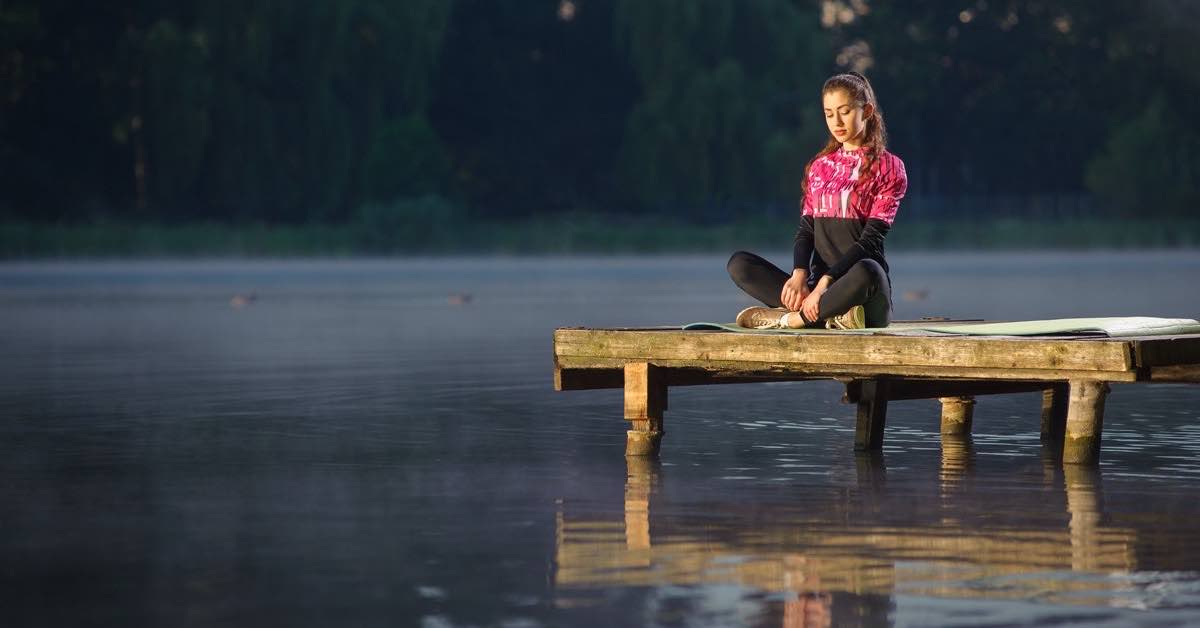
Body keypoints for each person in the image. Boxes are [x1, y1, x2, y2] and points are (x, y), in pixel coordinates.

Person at [727, 71, 907, 330]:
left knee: (868, 269)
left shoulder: (890, 168)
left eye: (844, 111)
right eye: (829, 113)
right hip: (813, 294)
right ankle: (829, 317)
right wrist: (800, 274)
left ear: (866, 111)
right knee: (740, 264)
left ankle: (792, 319)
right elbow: (807, 230)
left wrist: (825, 285)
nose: (837, 121)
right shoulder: (820, 167)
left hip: (863, 295)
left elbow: (869, 242)